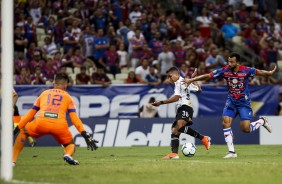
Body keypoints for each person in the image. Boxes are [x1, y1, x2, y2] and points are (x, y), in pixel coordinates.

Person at [183, 52, 276, 158]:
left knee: (245, 129)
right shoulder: (224, 70)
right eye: (228, 61)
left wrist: (269, 73)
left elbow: (260, 72)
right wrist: (191, 80)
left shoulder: (246, 70)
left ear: (238, 63)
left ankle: (262, 121)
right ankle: (231, 152)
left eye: (232, 62)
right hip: (231, 101)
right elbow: (208, 76)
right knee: (225, 123)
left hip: (243, 102)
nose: (229, 64)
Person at [13, 74, 98, 166]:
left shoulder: (44, 93)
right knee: (70, 144)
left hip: (41, 122)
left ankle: (12, 161)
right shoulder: (68, 97)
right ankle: (68, 155)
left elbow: (30, 114)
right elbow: (74, 118)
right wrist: (84, 133)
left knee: (24, 132)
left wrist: (17, 127)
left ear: (54, 84)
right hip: (59, 125)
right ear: (65, 85)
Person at [152, 66, 211, 159]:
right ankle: (174, 154)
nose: (169, 78)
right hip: (182, 108)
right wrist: (193, 79)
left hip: (185, 107)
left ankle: (203, 138)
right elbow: (199, 89)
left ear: (176, 74)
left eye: (170, 76)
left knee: (180, 126)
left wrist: (160, 102)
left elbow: (176, 98)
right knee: (175, 130)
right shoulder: (184, 81)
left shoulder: (180, 82)